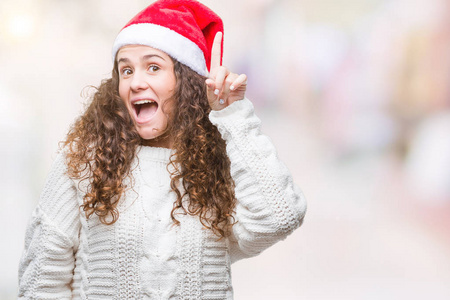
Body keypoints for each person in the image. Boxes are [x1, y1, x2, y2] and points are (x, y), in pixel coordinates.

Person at [18, 0, 307, 299]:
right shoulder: (86, 159)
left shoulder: (219, 163)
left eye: (153, 67)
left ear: (187, 82)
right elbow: (43, 276)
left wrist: (231, 114)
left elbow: (279, 217)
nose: (136, 82)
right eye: (126, 70)